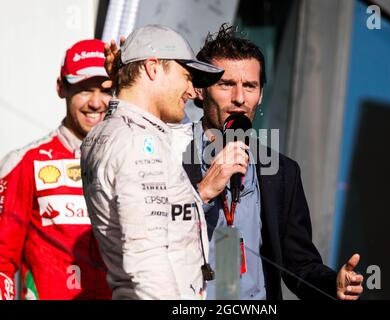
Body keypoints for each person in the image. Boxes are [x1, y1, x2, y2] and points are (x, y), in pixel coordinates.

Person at [181, 24, 364, 300]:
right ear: (200, 90)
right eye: (226, 84)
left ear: (261, 94)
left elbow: (300, 264)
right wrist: (203, 191)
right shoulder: (171, 151)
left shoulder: (283, 172)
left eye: (250, 86)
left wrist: (332, 283)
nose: (239, 98)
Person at [80, 24, 224, 299]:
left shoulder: (107, 132)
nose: (193, 92)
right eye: (186, 76)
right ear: (153, 68)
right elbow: (146, 255)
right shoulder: (137, 142)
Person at [0, 39, 112, 300]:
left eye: (105, 90)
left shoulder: (132, 161)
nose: (96, 103)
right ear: (62, 88)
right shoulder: (25, 162)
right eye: (84, 89)